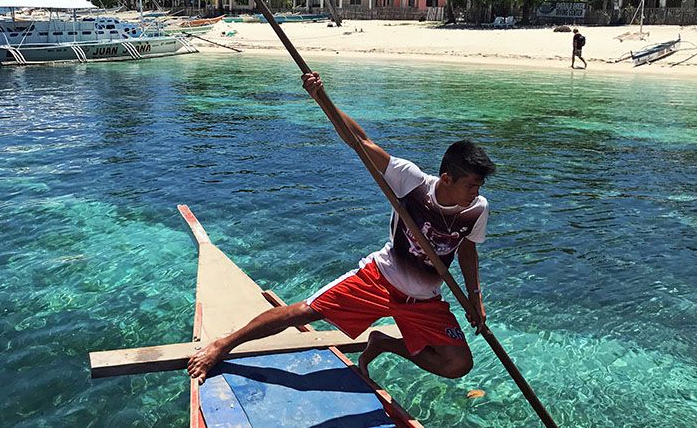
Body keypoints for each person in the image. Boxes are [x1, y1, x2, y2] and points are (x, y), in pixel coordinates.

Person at [187, 71, 495, 384]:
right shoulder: (411, 182)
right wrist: (321, 98)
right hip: (381, 280)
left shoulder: (477, 209)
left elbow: (468, 248)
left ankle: (384, 343)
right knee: (304, 312)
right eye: (471, 185)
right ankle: (223, 344)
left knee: (457, 364)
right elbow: (361, 143)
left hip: (424, 299)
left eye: (479, 185)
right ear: (446, 179)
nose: (476, 192)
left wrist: (475, 297)